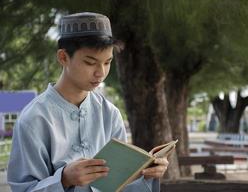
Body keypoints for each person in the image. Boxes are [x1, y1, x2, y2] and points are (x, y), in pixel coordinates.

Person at [7, 12, 169, 192]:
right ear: (63, 57)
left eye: (107, 62)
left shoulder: (110, 114)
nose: (101, 73)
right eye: (90, 62)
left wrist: (146, 175)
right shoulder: (33, 119)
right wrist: (64, 179)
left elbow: (120, 186)